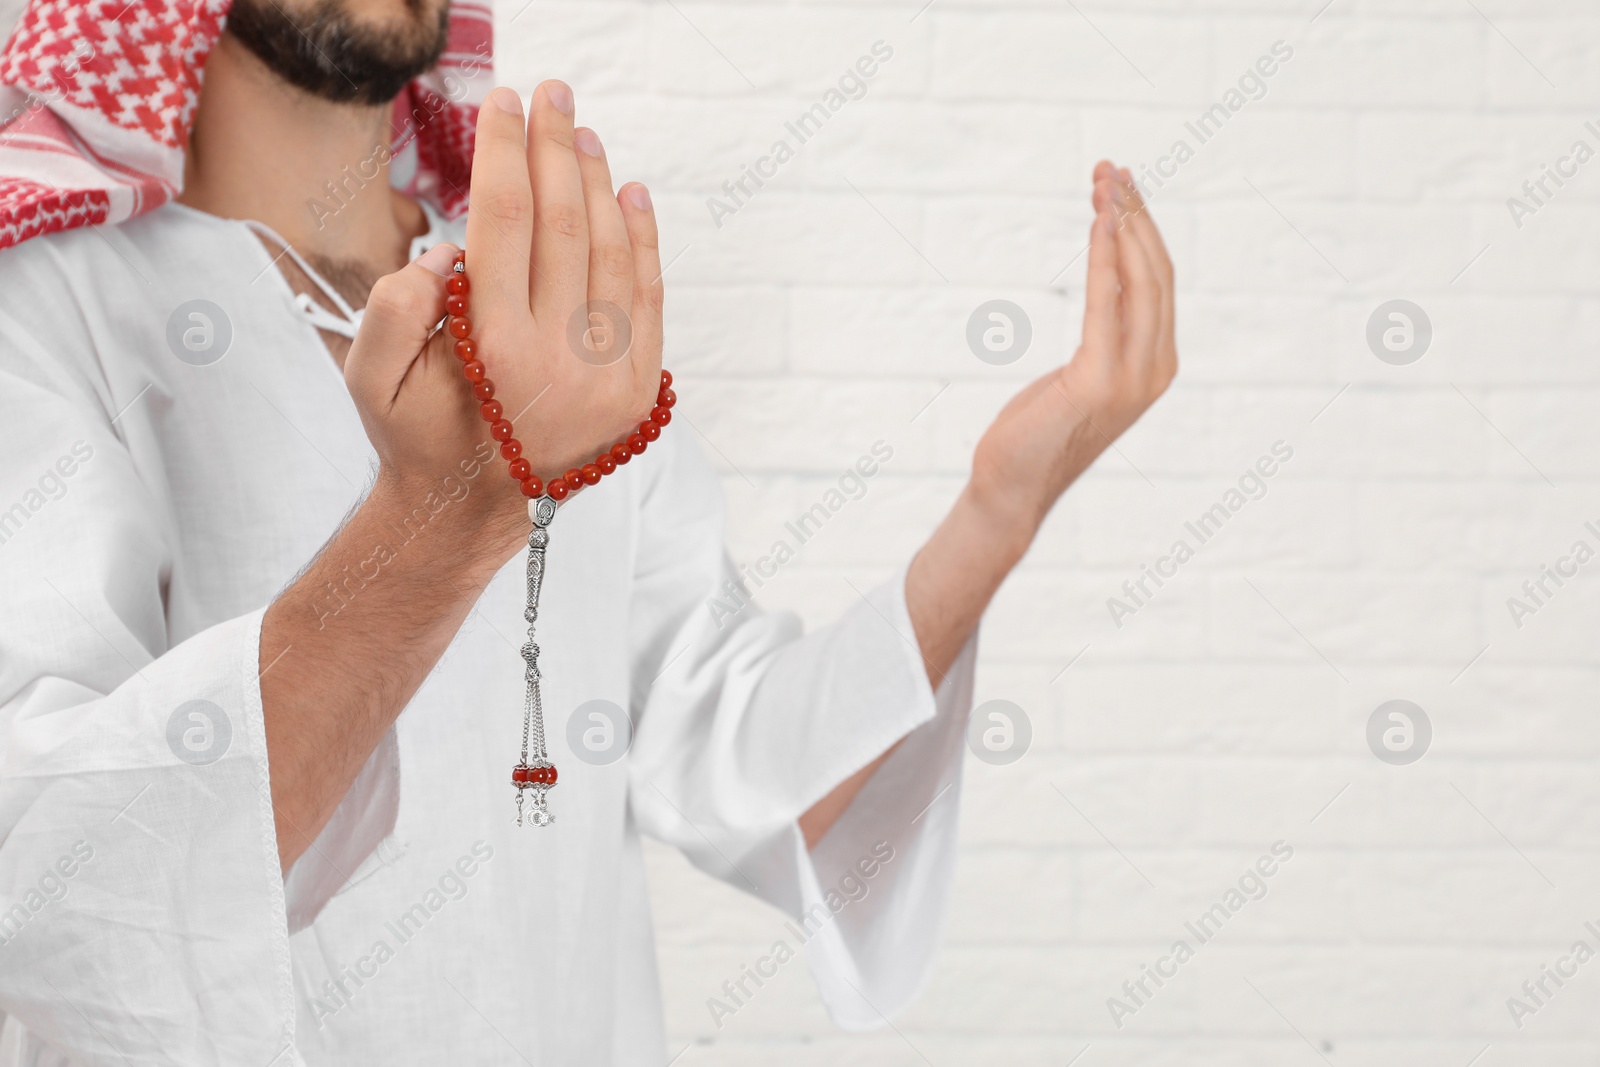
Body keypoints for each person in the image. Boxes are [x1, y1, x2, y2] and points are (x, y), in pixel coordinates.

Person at [0, 0, 1176, 1062]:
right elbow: (54, 884)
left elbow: (740, 759)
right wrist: (447, 516)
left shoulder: (539, 317)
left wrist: (998, 513)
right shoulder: (45, 314)